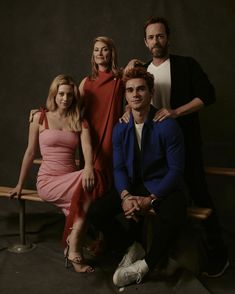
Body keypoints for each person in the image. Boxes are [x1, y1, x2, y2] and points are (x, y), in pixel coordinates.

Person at [124, 16, 229, 277]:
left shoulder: (185, 65)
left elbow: (208, 94)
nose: (156, 41)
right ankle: (153, 252)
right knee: (158, 197)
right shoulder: (145, 70)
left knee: (199, 194)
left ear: (168, 38)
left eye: (160, 36)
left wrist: (175, 111)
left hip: (186, 144)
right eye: (151, 37)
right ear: (145, 42)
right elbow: (133, 98)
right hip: (154, 149)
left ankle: (219, 255)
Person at [10, 74, 105, 273]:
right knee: (84, 200)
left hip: (72, 181)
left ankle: (73, 248)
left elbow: (87, 148)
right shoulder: (39, 117)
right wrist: (20, 184)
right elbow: (30, 152)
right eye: (61, 94)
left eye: (69, 95)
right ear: (54, 94)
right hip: (48, 182)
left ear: (74, 97)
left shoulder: (79, 119)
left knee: (84, 198)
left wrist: (88, 166)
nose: (65, 99)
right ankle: (75, 243)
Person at [112, 67, 187, 287]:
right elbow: (118, 168)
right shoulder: (120, 128)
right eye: (130, 90)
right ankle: (132, 246)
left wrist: (150, 199)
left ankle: (144, 265)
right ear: (125, 96)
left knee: (175, 215)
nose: (135, 94)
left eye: (141, 89)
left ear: (151, 92)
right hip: (133, 185)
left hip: (161, 185)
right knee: (96, 209)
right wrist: (126, 195)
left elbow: (176, 170)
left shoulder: (168, 125)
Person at [79, 36, 125, 252]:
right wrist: (45, 112)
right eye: (96, 49)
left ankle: (111, 240)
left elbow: (135, 100)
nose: (100, 53)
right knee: (91, 193)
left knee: (105, 193)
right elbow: (69, 109)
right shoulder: (86, 82)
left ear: (111, 53)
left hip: (111, 142)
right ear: (93, 54)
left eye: (104, 49)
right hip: (90, 141)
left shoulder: (120, 78)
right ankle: (101, 238)